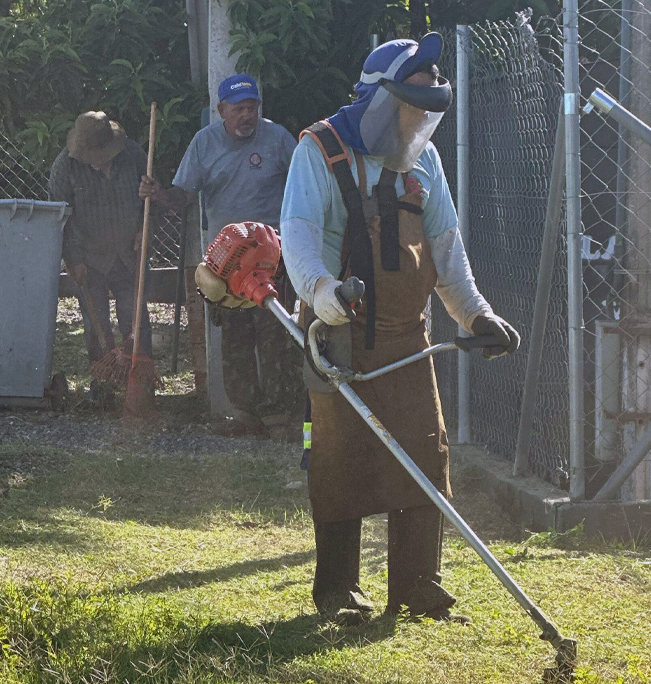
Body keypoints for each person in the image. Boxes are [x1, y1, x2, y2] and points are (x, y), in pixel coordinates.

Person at [277, 34, 520, 625]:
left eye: (430, 112)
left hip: (410, 339)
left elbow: (447, 255)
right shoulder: (320, 150)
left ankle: (417, 587)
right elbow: (300, 235)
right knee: (338, 459)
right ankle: (338, 592)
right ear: (384, 102)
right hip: (336, 334)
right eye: (414, 109)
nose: (421, 124)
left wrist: (476, 315)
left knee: (423, 456)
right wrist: (324, 295)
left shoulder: (425, 162)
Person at [139, 73, 300, 438]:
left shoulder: (278, 139)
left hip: (273, 255)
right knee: (234, 336)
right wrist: (159, 195)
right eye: (239, 109)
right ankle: (246, 414)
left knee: (276, 332)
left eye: (252, 108)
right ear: (221, 110)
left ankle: (280, 417)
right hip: (226, 260)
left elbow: (303, 184)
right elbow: (182, 197)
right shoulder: (203, 143)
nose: (248, 116)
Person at [48, 111, 151, 398]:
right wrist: (73, 259)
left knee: (136, 318)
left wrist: (146, 227)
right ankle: (102, 384)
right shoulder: (64, 167)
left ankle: (141, 385)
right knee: (96, 324)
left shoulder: (134, 155)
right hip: (89, 257)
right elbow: (61, 219)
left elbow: (151, 199)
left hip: (129, 254)